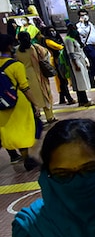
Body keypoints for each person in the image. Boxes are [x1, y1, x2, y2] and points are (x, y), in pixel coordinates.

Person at [0, 33, 40, 171]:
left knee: (9, 130)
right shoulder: (16, 65)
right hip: (18, 102)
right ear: (10, 46)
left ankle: (15, 155)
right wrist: (35, 104)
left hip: (2, 103)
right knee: (24, 129)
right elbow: (25, 87)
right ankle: (28, 159)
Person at [15, 31, 55, 124]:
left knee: (30, 98)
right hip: (38, 75)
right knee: (45, 96)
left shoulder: (16, 50)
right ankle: (50, 117)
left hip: (24, 76)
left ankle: (35, 119)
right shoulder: (36, 48)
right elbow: (46, 56)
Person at [63, 24, 95, 108]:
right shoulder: (68, 40)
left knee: (82, 81)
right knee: (79, 82)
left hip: (80, 60)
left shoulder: (74, 39)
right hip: (75, 62)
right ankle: (84, 100)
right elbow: (71, 53)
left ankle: (82, 100)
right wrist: (75, 65)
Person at [41, 27, 75, 105]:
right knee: (62, 80)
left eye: (53, 30)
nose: (53, 32)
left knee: (61, 80)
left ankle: (62, 98)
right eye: (51, 31)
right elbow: (59, 47)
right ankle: (69, 98)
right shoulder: (48, 40)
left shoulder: (54, 39)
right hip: (56, 62)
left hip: (59, 60)